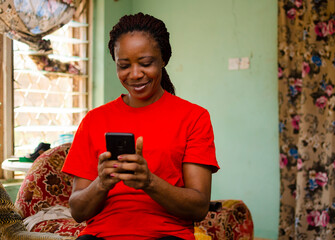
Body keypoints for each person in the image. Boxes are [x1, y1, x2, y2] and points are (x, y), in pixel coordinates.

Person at [62, 12, 219, 240]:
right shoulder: (94, 120)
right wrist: (101, 184)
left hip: (167, 236)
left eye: (145, 63)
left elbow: (198, 207)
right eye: (124, 65)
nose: (135, 75)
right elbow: (77, 211)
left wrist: (149, 182)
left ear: (163, 59)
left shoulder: (194, 117)